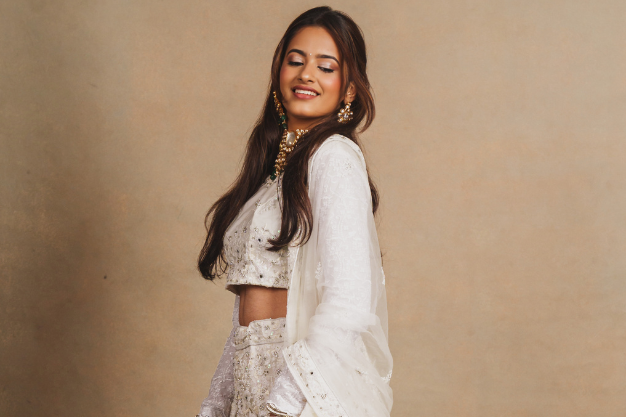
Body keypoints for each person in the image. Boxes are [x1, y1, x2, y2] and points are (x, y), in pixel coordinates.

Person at [196, 6, 393, 417]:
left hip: (304, 395)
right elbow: (247, 325)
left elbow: (350, 299)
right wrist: (217, 403)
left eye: (326, 67)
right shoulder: (272, 175)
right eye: (296, 61)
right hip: (255, 390)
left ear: (350, 89)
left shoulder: (334, 157)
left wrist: (285, 403)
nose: (307, 75)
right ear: (278, 72)